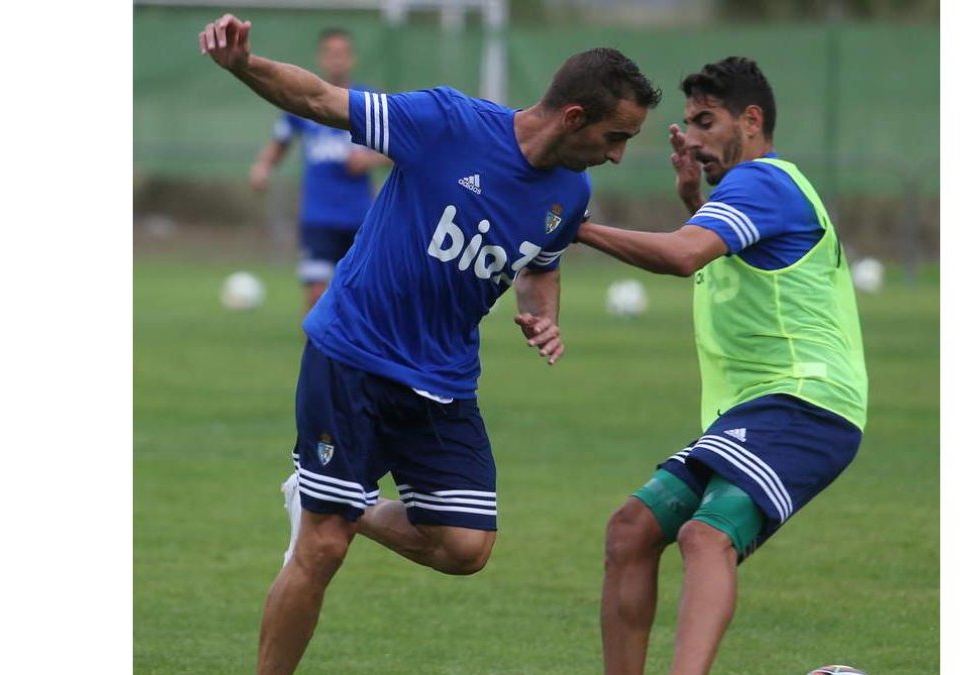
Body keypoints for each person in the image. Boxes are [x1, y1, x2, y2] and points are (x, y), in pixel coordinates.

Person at [198, 14, 661, 674]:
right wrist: (245, 64)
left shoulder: (570, 191)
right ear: (574, 117)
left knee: (465, 546)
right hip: (353, 355)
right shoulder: (447, 123)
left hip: (442, 381)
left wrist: (543, 316)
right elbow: (320, 100)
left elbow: (542, 264)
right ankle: (327, 512)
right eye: (616, 137)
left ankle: (333, 497)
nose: (617, 156)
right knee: (323, 547)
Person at [575, 56, 868, 675]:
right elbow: (720, 258)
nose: (693, 138)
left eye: (705, 122)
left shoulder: (764, 182)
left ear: (751, 121)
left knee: (704, 535)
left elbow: (684, 256)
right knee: (631, 530)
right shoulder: (757, 192)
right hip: (760, 410)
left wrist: (575, 229)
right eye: (688, 124)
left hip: (803, 402)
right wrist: (692, 200)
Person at [248, 27, 391, 311]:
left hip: (360, 215)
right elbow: (280, 141)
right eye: (330, 53)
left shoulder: (368, 101)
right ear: (321, 58)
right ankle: (319, 340)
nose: (337, 59)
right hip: (318, 216)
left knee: (362, 294)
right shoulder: (304, 100)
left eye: (342, 53)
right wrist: (263, 166)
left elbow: (399, 149)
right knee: (316, 294)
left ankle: (354, 339)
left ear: (352, 58)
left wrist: (370, 160)